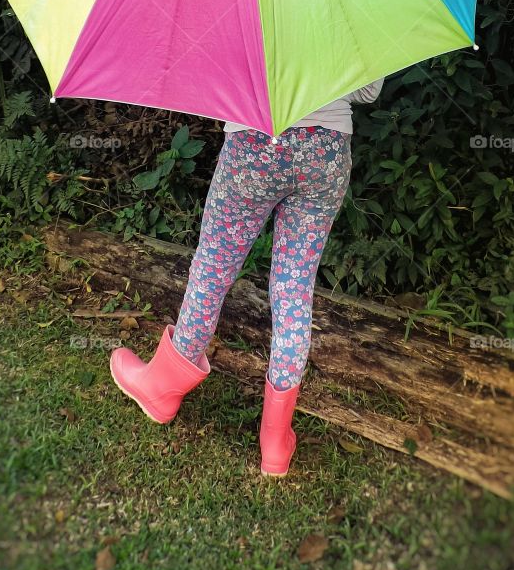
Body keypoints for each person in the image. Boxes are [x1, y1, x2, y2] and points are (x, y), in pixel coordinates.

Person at [110, 78, 386, 476]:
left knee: (213, 268)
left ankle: (163, 387)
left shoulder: (243, 12)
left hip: (255, 142)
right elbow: (366, 92)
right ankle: (275, 440)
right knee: (294, 289)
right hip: (326, 152)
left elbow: (212, 80)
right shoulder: (345, 14)